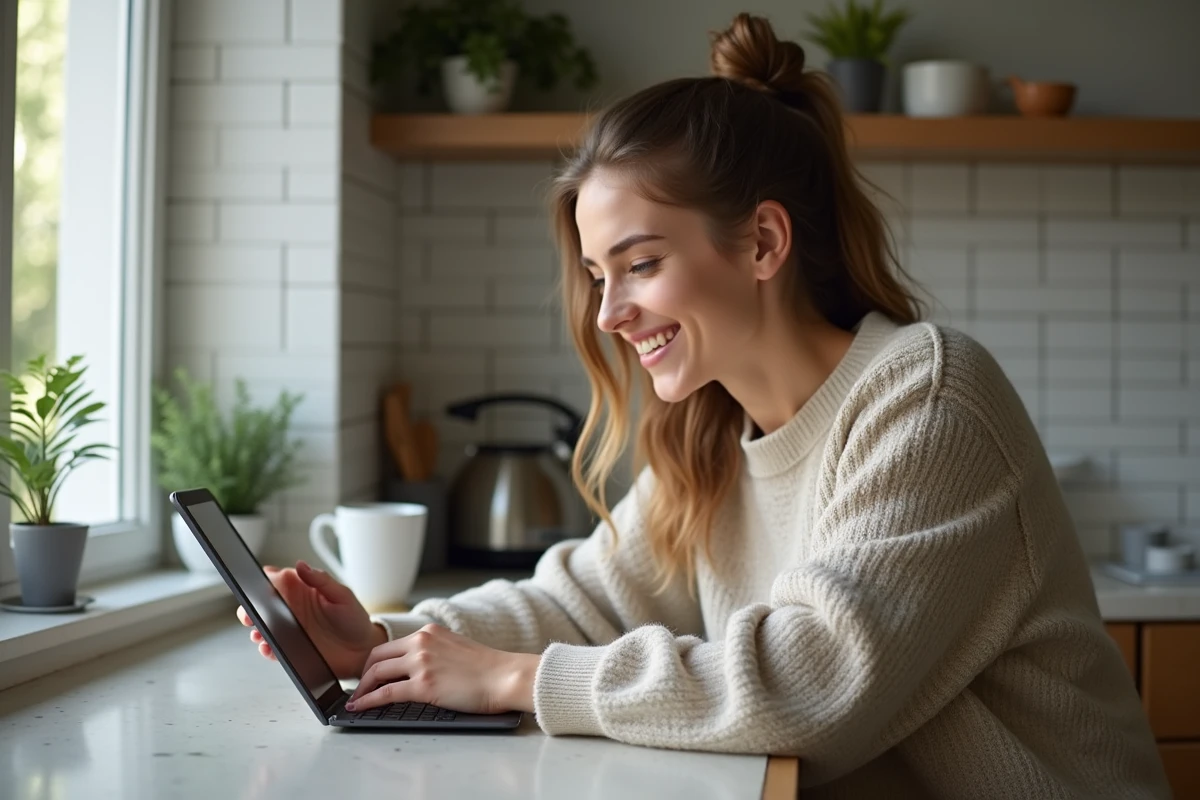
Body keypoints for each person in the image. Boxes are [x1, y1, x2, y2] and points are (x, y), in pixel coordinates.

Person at [238, 13, 1169, 799]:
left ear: (763, 242)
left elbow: (811, 686)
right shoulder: (715, 431)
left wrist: (515, 682)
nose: (608, 312)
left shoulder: (926, 399)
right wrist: (383, 644)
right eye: (602, 275)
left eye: (641, 264)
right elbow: (586, 599)